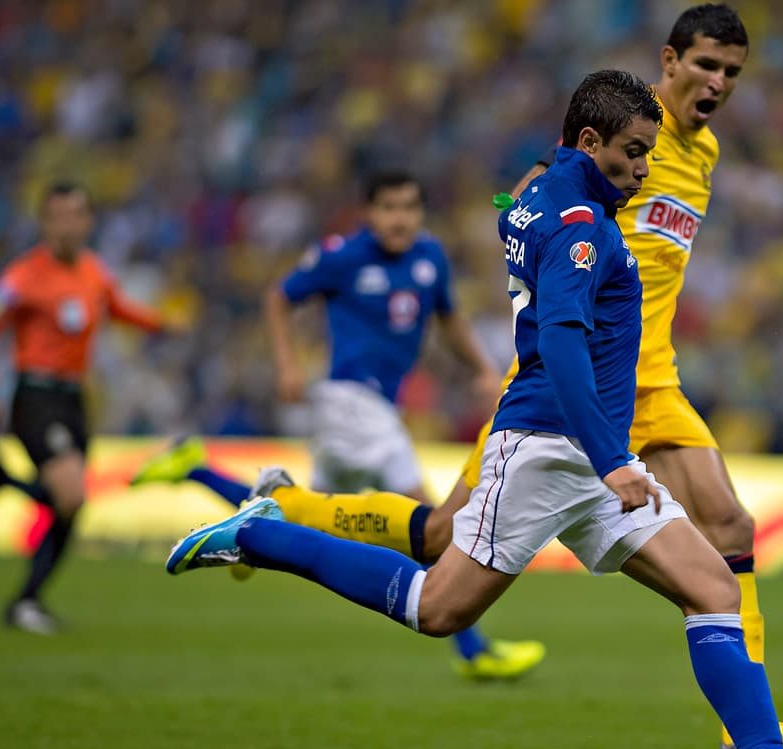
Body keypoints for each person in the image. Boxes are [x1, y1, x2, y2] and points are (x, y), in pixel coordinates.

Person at [164, 69, 783, 749]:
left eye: (651, 155)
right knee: (437, 606)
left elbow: (511, 209)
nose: (643, 169)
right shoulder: (580, 225)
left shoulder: (538, 197)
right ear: (590, 142)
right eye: (633, 154)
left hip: (587, 445)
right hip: (547, 444)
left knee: (714, 586)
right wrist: (613, 459)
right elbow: (563, 341)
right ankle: (260, 533)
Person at [131, 170, 544, 681]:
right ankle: (473, 648)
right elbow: (279, 297)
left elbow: (448, 317)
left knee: (303, 509)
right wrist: (286, 364)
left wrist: (481, 368)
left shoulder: (429, 258)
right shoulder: (343, 255)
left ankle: (200, 472)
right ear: (369, 213)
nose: (401, 219)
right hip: (351, 401)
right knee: (434, 528)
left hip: (374, 409)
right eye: (389, 208)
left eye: (410, 208)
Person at [0, 181, 177, 634]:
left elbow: (118, 308)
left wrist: (159, 323)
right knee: (70, 494)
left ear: (88, 222)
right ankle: (4, 482)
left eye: (76, 216)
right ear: (44, 223)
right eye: (58, 217)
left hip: (73, 398)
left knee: (70, 507)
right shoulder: (24, 276)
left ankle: (27, 601)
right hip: (36, 394)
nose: (67, 226)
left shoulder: (93, 270)